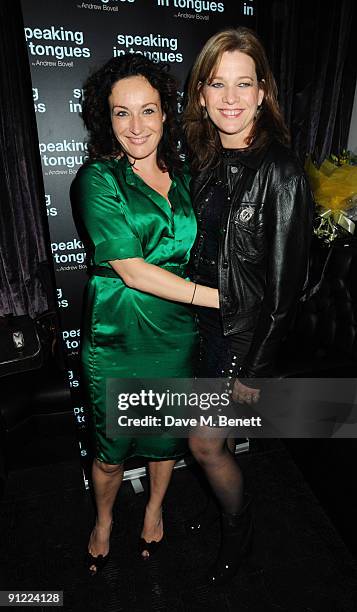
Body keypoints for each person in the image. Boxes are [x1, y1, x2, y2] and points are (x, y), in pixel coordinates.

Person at [71, 54, 219, 575]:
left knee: (163, 440)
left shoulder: (186, 178)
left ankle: (155, 509)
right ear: (105, 119)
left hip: (176, 335)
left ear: (165, 115)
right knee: (111, 451)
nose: (136, 127)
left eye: (148, 111)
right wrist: (220, 298)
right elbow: (132, 270)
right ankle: (105, 518)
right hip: (116, 332)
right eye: (121, 113)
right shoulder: (97, 178)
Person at [184, 27, 314, 586]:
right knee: (206, 440)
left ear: (263, 92)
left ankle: (240, 530)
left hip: (241, 335)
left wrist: (255, 370)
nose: (231, 98)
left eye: (245, 83)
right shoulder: (205, 158)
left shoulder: (281, 171)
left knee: (205, 442)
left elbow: (287, 290)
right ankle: (226, 510)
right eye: (219, 83)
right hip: (201, 324)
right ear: (203, 93)